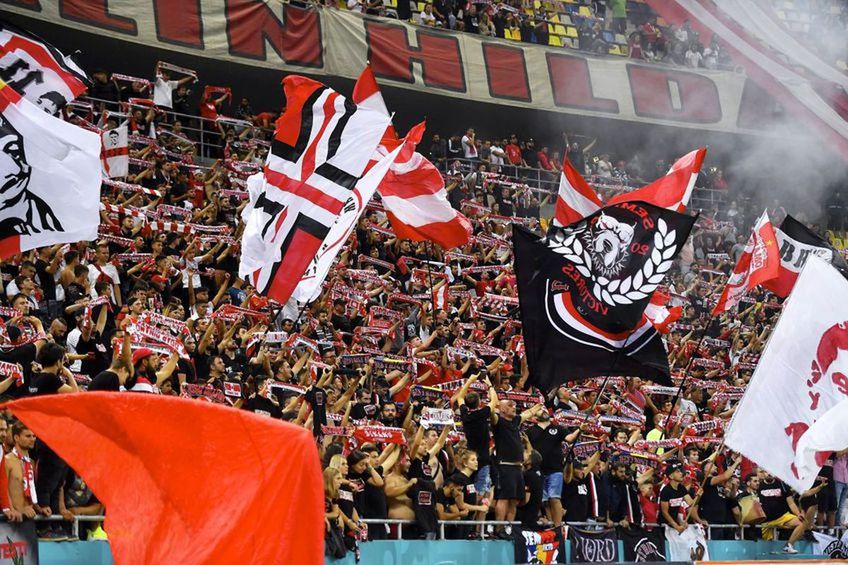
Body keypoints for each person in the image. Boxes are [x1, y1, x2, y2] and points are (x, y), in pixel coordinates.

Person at [757, 472, 806, 553]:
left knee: (801, 523)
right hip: (765, 520)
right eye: (766, 471)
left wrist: (798, 514)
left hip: (782, 517)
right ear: (763, 472)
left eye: (771, 471)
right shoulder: (758, 485)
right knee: (765, 550)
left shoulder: (782, 484)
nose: (769, 473)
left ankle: (788, 545)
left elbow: (791, 503)